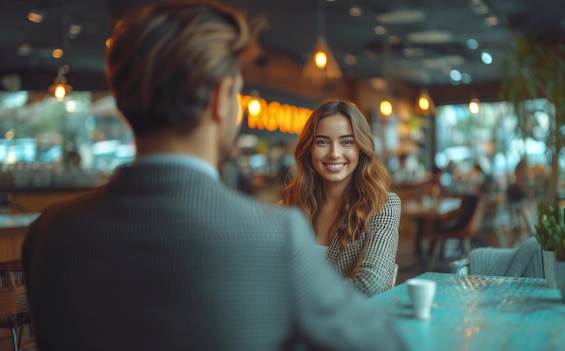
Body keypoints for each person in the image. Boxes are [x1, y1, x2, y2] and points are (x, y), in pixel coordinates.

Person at [21, 2, 407, 350]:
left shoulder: (49, 233)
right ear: (224, 100)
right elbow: (381, 341)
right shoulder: (275, 233)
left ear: (121, 102)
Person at [281, 100, 401, 297]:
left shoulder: (383, 206)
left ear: (361, 148)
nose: (334, 153)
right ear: (309, 149)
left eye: (346, 142)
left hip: (350, 326)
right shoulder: (287, 208)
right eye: (322, 142)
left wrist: (294, 298)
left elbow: (371, 285)